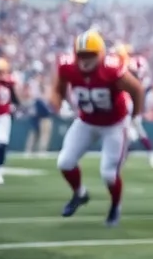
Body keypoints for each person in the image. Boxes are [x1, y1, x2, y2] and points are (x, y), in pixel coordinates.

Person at [53, 30, 145, 227]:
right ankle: (80, 194)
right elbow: (58, 86)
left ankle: (115, 206)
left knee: (109, 174)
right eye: (81, 55)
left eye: (90, 55)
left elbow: (136, 89)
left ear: (101, 54)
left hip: (114, 124)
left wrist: (136, 116)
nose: (85, 61)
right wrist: (62, 103)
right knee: (65, 162)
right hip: (87, 120)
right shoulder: (67, 66)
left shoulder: (111, 69)